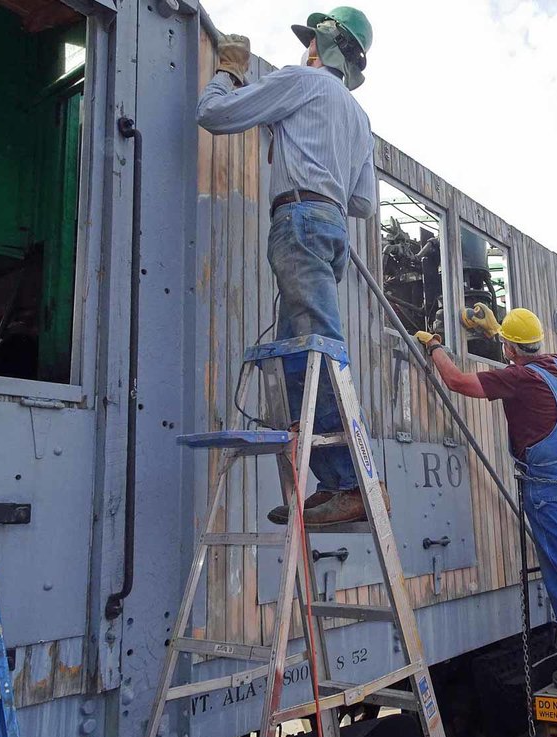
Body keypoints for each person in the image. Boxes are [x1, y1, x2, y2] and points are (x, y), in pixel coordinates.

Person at [195, 8, 378, 527]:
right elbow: (362, 202)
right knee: (301, 359)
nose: (306, 48)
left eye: (313, 40)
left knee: (316, 351)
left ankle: (351, 482)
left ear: (328, 46)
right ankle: (330, 481)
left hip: (297, 218)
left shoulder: (302, 81)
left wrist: (229, 71)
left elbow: (216, 115)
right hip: (333, 226)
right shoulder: (360, 118)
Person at [415, 306, 557, 693]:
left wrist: (435, 345)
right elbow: (524, 356)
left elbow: (457, 381)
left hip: (550, 490)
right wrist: (498, 333)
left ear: (510, 349)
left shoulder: (518, 379)